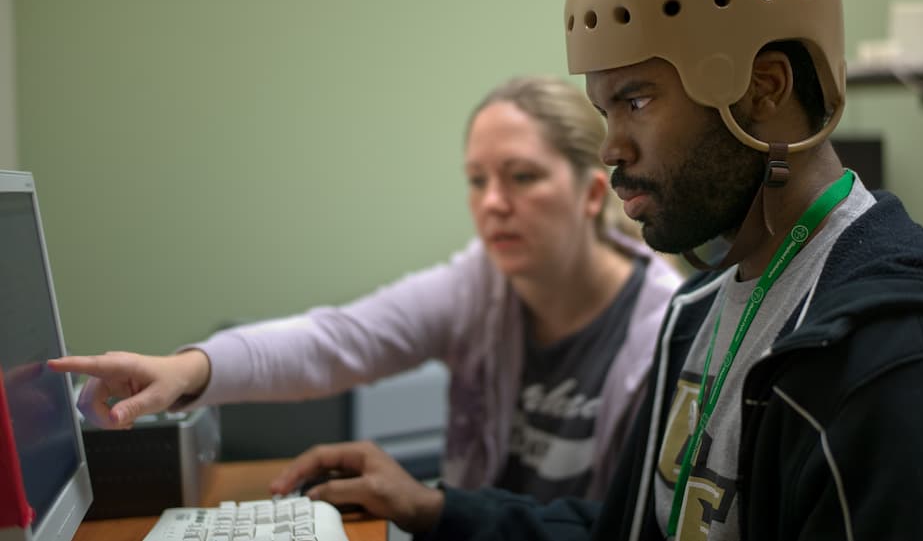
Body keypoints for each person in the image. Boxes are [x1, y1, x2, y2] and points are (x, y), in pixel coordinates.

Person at [110, 0, 923, 541]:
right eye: (602, 107)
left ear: (764, 89)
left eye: (637, 99)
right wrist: (436, 508)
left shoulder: (899, 369)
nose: (608, 148)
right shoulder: (707, 312)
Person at [50, 75, 686, 505]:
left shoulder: (666, 328)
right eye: (477, 179)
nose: (493, 204)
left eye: (521, 177)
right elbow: (337, 340)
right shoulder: (481, 286)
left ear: (590, 195)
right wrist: (185, 369)